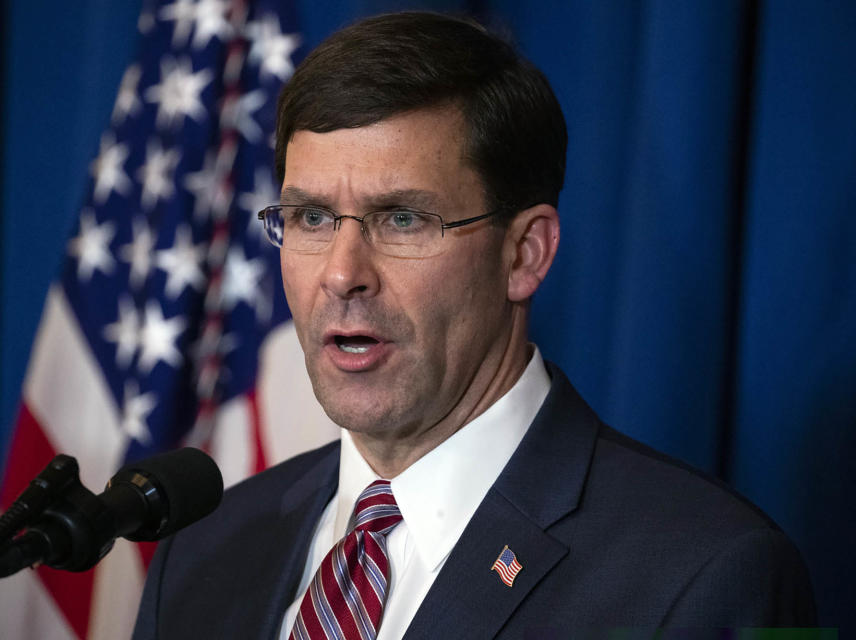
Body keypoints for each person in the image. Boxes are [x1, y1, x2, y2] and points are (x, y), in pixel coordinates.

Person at [133, 12, 816, 638]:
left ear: (525, 254)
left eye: (402, 218)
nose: (341, 275)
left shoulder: (713, 575)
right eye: (311, 218)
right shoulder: (202, 551)